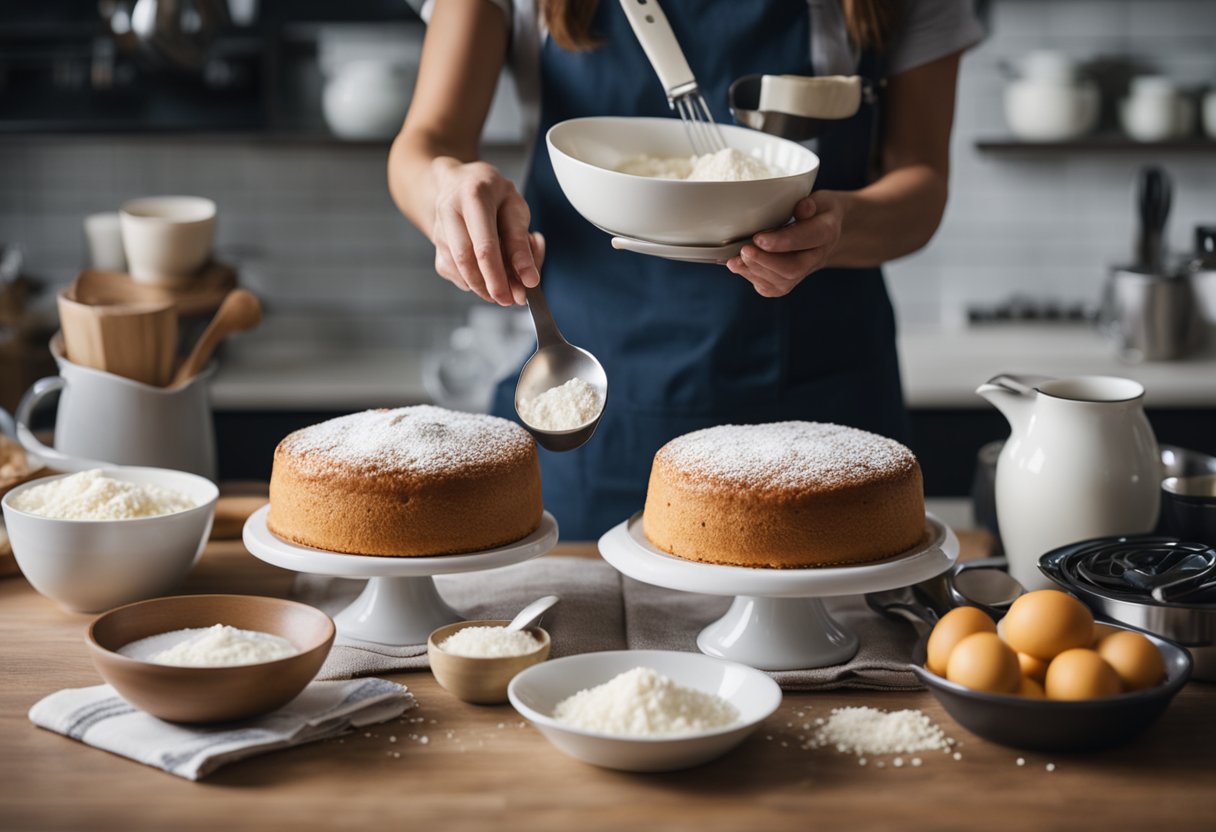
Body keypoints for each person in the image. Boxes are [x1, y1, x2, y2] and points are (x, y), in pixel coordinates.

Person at [389, 0, 984, 539]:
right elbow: (424, 143)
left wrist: (838, 228)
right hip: (589, 412)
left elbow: (922, 186)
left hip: (823, 411)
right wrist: (447, 188)